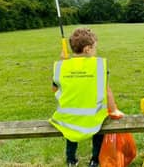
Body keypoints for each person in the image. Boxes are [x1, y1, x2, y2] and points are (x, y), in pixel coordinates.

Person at [49, 28, 124, 167]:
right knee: (100, 126)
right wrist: (113, 110)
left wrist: (63, 62)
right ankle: (95, 160)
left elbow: (54, 89)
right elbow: (107, 91)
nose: (96, 50)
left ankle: (71, 160)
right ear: (87, 49)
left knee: (70, 131)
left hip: (67, 119)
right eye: (95, 47)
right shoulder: (99, 65)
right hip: (93, 119)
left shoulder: (61, 66)